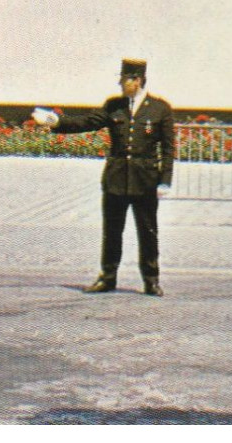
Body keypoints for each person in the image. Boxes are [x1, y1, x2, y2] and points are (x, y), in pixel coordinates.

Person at [33, 58, 175, 296]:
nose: (120, 84)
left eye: (124, 80)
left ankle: (151, 279)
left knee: (148, 231)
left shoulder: (160, 109)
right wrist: (56, 122)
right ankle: (108, 277)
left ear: (137, 80)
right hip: (116, 179)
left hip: (145, 181)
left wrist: (165, 180)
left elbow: (169, 148)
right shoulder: (114, 106)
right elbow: (87, 122)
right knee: (112, 231)